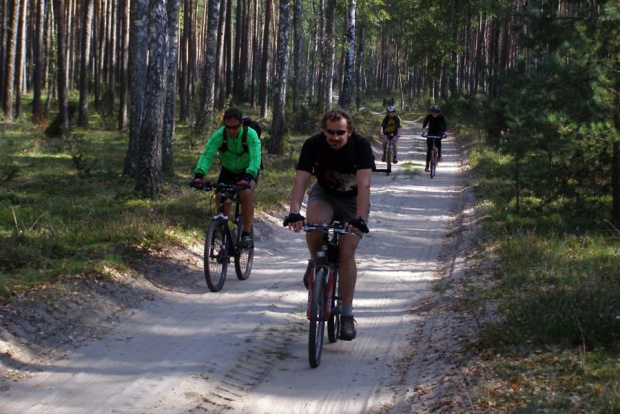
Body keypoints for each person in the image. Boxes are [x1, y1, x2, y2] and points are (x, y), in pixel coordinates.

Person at [283, 108, 375, 341]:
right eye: (330, 132)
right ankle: (316, 262)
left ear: (349, 131)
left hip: (352, 201)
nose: (335, 137)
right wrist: (294, 212)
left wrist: (360, 218)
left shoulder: (361, 146)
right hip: (324, 195)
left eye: (340, 133)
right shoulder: (313, 144)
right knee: (314, 224)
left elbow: (364, 185)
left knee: (345, 253)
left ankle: (346, 313)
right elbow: (301, 179)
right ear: (323, 131)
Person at [193, 108, 261, 248]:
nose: (231, 131)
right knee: (221, 194)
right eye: (228, 127)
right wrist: (199, 175)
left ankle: (246, 234)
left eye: (235, 127)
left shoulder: (251, 135)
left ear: (242, 124)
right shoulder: (219, 135)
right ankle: (225, 227)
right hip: (228, 170)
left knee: (245, 193)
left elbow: (255, 158)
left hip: (248, 170)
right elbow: (207, 154)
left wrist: (248, 177)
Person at [422, 104, 447, 172]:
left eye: (436, 111)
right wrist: (424, 131)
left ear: (438, 112)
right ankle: (427, 165)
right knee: (429, 149)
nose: (434, 113)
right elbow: (425, 124)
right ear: (431, 111)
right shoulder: (429, 116)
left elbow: (444, 126)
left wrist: (444, 133)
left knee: (438, 143)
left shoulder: (441, 117)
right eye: (433, 111)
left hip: (439, 132)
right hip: (431, 132)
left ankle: (439, 155)